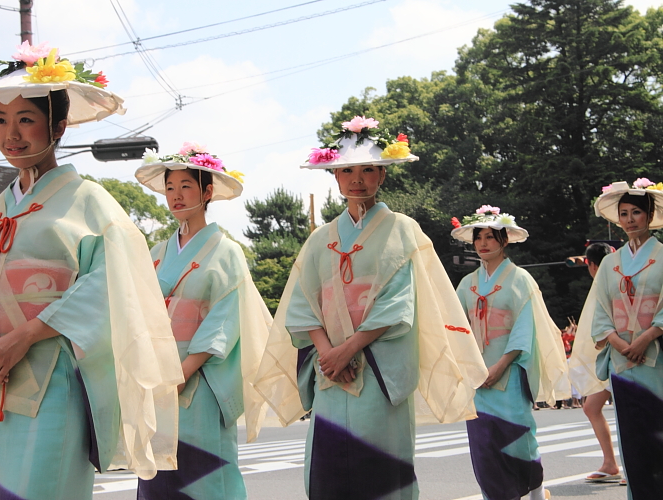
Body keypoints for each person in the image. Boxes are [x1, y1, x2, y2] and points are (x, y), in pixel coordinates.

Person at [0, 43, 183, 499]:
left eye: (25, 120)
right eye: (1, 121)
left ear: (57, 126)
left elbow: (112, 289)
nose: (11, 135)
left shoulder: (91, 203)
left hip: (51, 386)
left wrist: (26, 336)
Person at [254, 116, 488, 500]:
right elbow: (302, 303)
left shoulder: (402, 229)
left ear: (383, 174)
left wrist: (347, 349)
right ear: (335, 177)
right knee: (327, 469)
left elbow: (399, 302)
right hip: (329, 368)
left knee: (380, 471)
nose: (356, 178)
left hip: (379, 368)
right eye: (346, 170)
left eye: (367, 169)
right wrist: (327, 353)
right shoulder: (318, 240)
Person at [134, 144, 271, 499]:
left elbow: (223, 319)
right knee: (158, 478)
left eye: (185, 186)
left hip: (199, 379)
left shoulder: (227, 252)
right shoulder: (156, 254)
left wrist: (181, 373)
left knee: (204, 479)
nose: (176, 196)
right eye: (169, 188)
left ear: (207, 192)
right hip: (157, 379)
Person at [451, 205, 569, 500]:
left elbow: (523, 330)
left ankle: (537, 491)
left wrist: (500, 366)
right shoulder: (466, 284)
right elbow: (456, 328)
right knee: (483, 444)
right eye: (478, 237)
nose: (483, 243)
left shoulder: (520, 280)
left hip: (510, 373)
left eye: (490, 237)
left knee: (519, 437)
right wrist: (472, 367)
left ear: (504, 240)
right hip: (477, 377)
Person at [584, 180, 663, 498]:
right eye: (624, 214)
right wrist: (620, 344)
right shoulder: (609, 263)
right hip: (622, 361)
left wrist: (645, 339)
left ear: (649, 215)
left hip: (656, 357)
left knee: (658, 432)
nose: (630, 220)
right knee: (631, 434)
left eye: (636, 213)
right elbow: (600, 310)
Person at [568, 242, 621, 483]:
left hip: (621, 354)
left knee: (628, 411)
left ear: (590, 264)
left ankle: (630, 465)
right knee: (592, 407)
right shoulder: (616, 277)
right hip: (616, 354)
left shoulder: (608, 281)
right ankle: (611, 462)